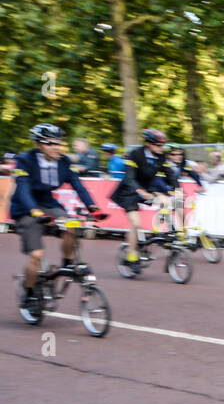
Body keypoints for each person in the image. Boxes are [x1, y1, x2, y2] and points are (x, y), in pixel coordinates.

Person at [11, 124, 99, 314]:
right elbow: (23, 189)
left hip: (49, 205)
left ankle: (67, 264)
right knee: (36, 255)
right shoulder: (24, 160)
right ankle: (29, 293)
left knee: (72, 225)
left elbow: (78, 185)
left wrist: (93, 207)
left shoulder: (64, 161)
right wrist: (35, 211)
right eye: (50, 143)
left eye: (58, 143)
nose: (56, 147)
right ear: (38, 144)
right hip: (25, 208)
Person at [109, 128, 172, 270]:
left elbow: (170, 175)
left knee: (167, 201)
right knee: (136, 223)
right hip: (129, 191)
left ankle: (161, 232)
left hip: (147, 189)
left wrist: (176, 190)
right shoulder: (135, 154)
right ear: (148, 144)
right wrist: (140, 191)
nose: (161, 148)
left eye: (162, 146)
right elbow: (130, 177)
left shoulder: (161, 156)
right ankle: (131, 255)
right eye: (158, 145)